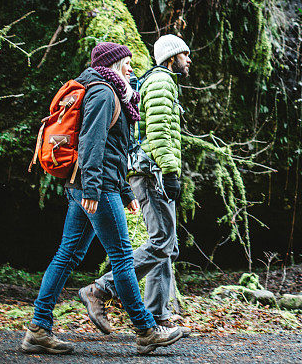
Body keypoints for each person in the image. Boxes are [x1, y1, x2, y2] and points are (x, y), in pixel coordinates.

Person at [21, 42, 184, 355]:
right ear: (113, 64)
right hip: (95, 188)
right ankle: (146, 329)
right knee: (122, 256)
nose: (132, 68)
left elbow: (114, 149)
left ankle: (38, 329)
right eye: (127, 63)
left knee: (67, 254)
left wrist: (124, 191)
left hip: (96, 185)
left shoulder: (110, 92)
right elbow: (91, 143)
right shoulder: (103, 92)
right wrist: (96, 190)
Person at [79, 35, 191, 333]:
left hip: (151, 171)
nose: (188, 60)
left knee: (168, 245)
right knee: (161, 242)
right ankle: (101, 289)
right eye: (185, 55)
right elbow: (157, 131)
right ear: (171, 58)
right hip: (151, 172)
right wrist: (169, 170)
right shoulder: (161, 82)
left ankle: (157, 314)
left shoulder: (164, 83)